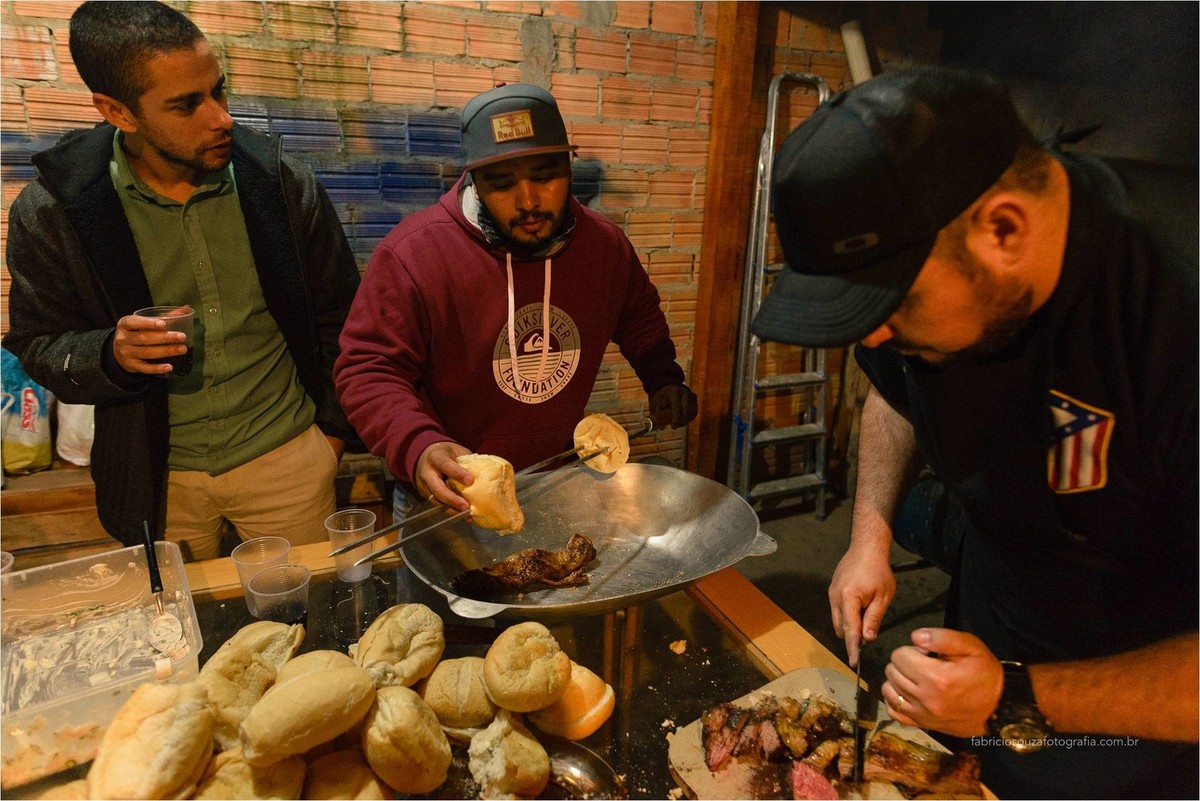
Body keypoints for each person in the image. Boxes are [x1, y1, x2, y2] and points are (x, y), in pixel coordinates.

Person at [752, 67, 1198, 798]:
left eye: (892, 304)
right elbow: (895, 394)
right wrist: (869, 535)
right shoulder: (930, 293)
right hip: (984, 645)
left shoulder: (1172, 312)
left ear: (1003, 229)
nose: (876, 330)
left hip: (1141, 719)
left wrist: (1020, 696)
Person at [2, 1, 361, 561]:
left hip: (289, 462)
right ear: (118, 112)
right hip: (160, 483)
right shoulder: (55, 211)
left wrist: (329, 440)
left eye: (219, 90)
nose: (221, 118)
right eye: (187, 104)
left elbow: (344, 315)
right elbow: (36, 344)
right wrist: (110, 354)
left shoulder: (279, 183)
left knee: (310, 628)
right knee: (182, 642)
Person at [334, 83, 697, 515]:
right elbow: (368, 369)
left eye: (545, 176)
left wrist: (663, 377)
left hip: (558, 482)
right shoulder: (414, 254)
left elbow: (638, 317)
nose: (528, 202)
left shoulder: (605, 247)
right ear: (474, 181)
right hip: (451, 496)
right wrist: (417, 444)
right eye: (502, 184)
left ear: (568, 166)